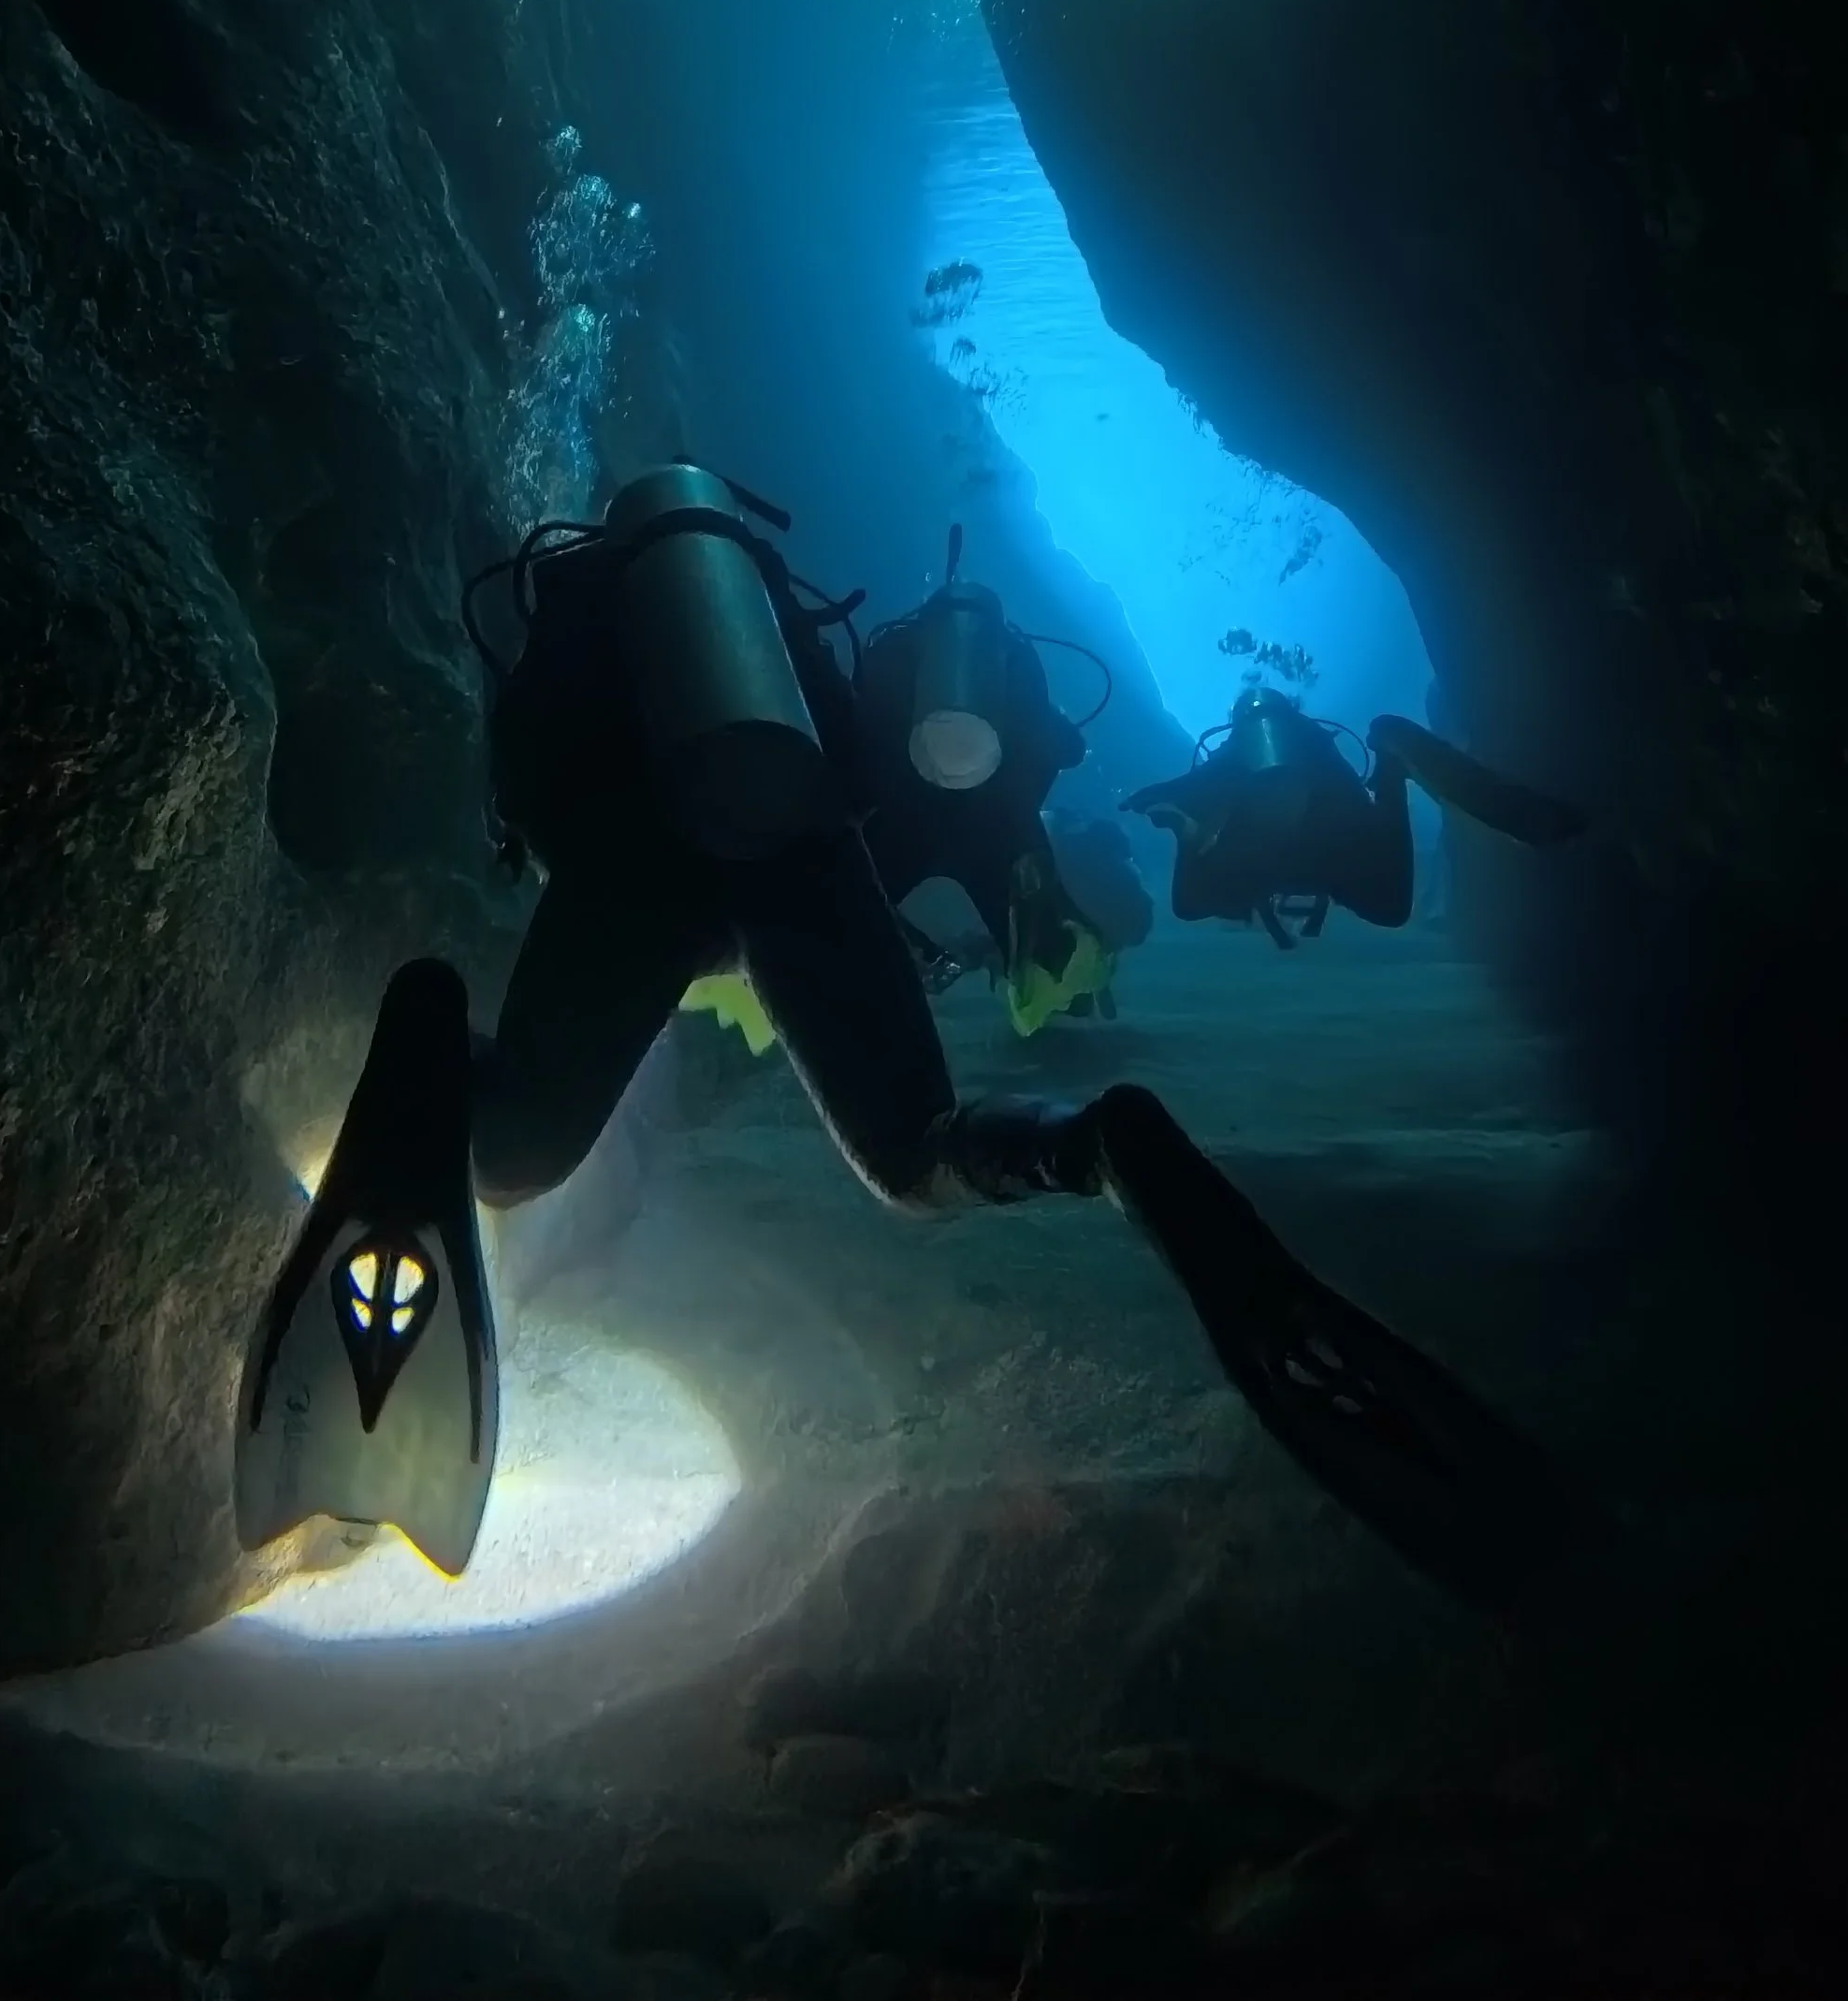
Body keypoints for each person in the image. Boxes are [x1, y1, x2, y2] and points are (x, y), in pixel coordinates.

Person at [236, 466, 1578, 1609]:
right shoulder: (775, 629)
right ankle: (1098, 1148)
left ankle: (424, 1026)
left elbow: (531, 787)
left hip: (645, 860)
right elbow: (867, 781)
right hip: (806, 846)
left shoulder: (580, 617)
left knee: (514, 1153)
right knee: (915, 1155)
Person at [852, 531, 1118, 1037]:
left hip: (902, 825)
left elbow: (851, 736)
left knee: (847, 902)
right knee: (1044, 953)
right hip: (997, 836)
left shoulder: (892, 648)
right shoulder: (1015, 659)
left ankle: (912, 965)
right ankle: (1048, 988)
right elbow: (1067, 748)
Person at [1126, 684, 1582, 949]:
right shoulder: (1314, 742)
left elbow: (1210, 780)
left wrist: (1170, 799)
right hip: (1330, 851)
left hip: (1268, 861)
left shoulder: (1237, 750)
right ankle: (1393, 776)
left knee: (1188, 907)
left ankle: (1185, 833)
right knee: (1390, 911)